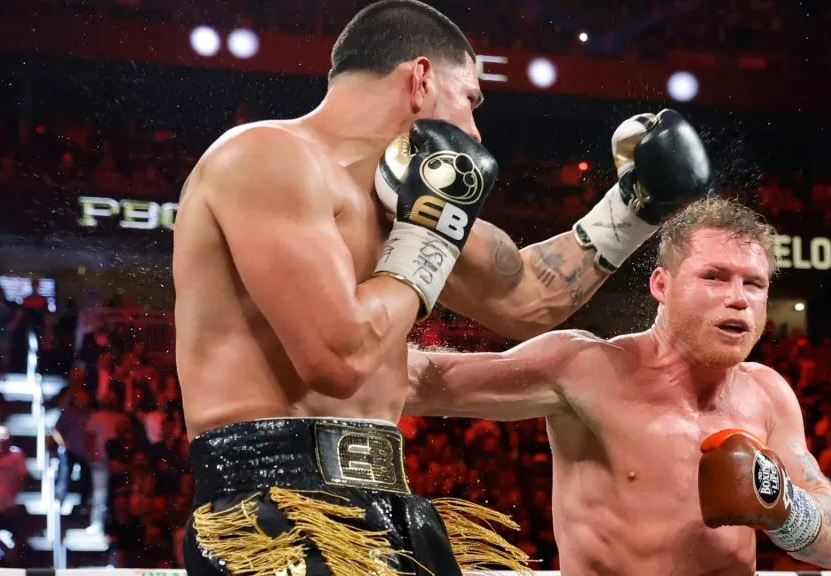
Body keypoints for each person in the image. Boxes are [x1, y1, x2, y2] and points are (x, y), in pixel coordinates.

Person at [173, 0, 710, 574]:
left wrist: (633, 208)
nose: (474, 131)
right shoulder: (266, 156)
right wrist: (427, 232)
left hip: (388, 502)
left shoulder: (404, 199)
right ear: (421, 78)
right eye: (470, 99)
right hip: (271, 510)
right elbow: (337, 356)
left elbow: (527, 297)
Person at [407, 197, 831, 575]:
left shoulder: (767, 393)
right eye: (714, 276)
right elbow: (417, 381)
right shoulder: (585, 368)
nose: (738, 298)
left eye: (754, 283)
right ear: (661, 284)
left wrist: (785, 506)